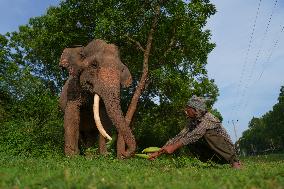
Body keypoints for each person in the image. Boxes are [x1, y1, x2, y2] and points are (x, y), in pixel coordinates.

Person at [149, 95, 242, 169]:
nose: (186, 111)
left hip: (227, 150)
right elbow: (180, 136)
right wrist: (158, 152)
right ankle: (214, 162)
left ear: (195, 110)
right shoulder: (192, 120)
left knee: (205, 135)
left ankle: (235, 162)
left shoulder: (208, 119)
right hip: (215, 152)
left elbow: (195, 134)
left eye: (188, 109)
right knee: (187, 141)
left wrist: (173, 147)